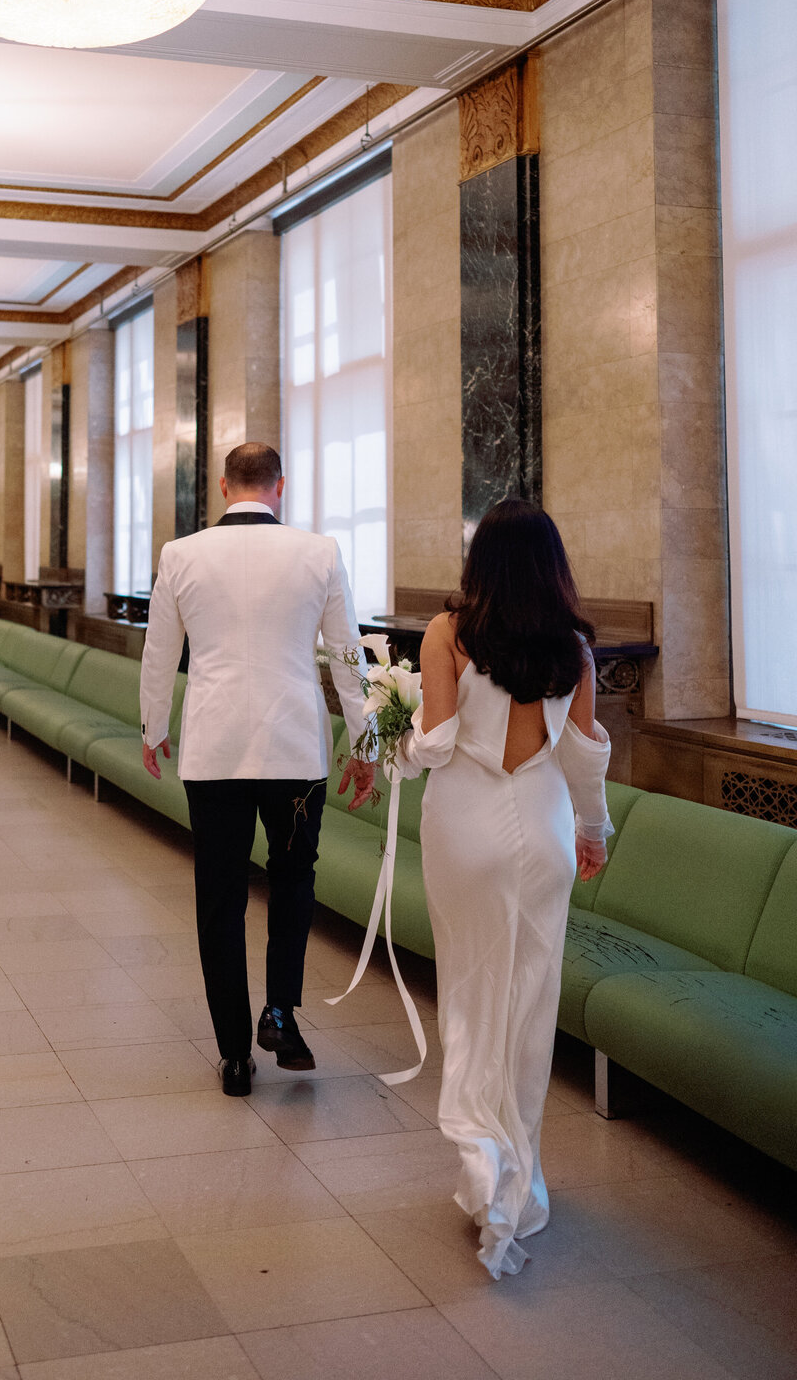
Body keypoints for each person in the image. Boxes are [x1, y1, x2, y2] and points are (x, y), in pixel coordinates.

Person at [353, 499, 611, 1279]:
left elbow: (433, 745)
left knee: (471, 993)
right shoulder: (574, 647)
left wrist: (391, 722)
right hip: (545, 829)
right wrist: (593, 834)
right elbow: (586, 754)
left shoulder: (449, 634)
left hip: (468, 832)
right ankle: (520, 1185)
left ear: (481, 563)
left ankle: (481, 1166)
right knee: (530, 1006)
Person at [140, 442, 374, 1097]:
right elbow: (346, 655)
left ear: (222, 487)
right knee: (294, 880)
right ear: (280, 487)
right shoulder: (318, 552)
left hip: (213, 752)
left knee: (220, 899)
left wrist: (154, 728)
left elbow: (161, 655)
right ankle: (280, 1011)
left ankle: (235, 1055)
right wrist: (365, 744)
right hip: (295, 749)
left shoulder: (181, 554)